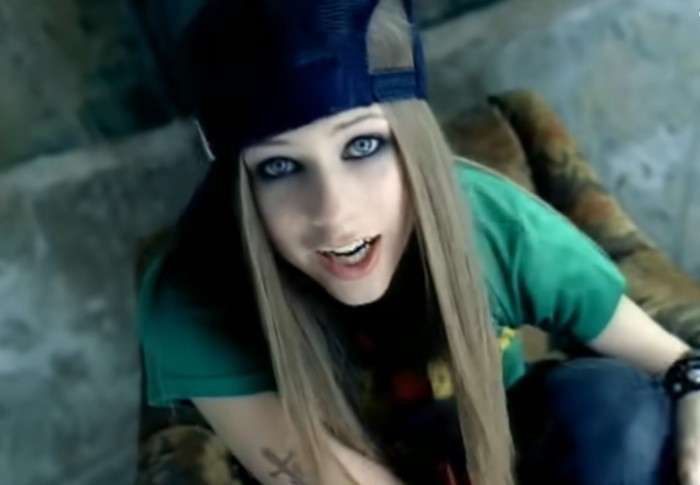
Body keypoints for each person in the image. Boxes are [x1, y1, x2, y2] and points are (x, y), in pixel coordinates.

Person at [136, 0, 700, 483]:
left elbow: (670, 361)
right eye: (279, 166)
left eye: (363, 146)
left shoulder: (489, 220)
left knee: (610, 404)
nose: (334, 215)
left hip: (505, 458)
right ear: (239, 188)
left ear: (415, 144)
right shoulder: (195, 293)